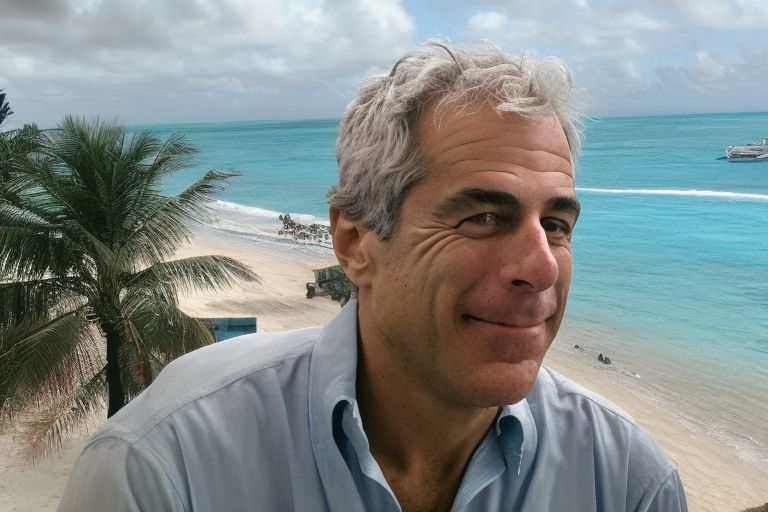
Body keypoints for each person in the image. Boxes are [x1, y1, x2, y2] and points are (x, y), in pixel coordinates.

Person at [58, 41, 687, 512]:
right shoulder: (166, 467)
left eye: (557, 224)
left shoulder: (626, 481)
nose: (542, 267)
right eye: (484, 216)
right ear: (355, 243)